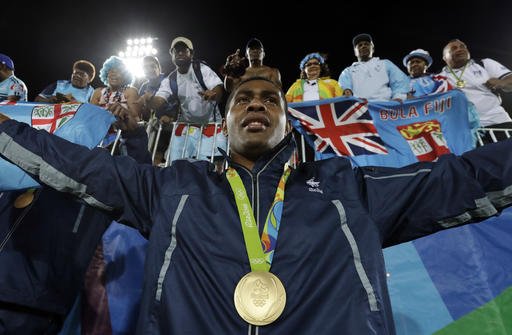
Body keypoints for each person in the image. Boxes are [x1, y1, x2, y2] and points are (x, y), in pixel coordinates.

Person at [1, 75, 512, 334]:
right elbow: (75, 164)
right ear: (223, 123)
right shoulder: (173, 186)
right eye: (243, 98)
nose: (256, 104)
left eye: (271, 99)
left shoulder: (346, 188)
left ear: (288, 123)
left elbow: (462, 178)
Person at [0, 103, 149, 334]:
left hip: (35, 300)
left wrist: (133, 134)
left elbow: (137, 189)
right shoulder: (27, 152)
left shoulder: (99, 176)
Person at [149, 36, 227, 164]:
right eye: (176, 51)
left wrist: (213, 94)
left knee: (211, 165)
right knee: (175, 163)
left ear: (191, 54)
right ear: (172, 54)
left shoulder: (201, 69)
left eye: (184, 50)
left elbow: (218, 88)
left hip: (211, 124)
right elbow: (158, 101)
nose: (180, 53)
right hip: (187, 126)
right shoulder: (171, 79)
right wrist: (149, 100)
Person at [439, 38, 512, 142]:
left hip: (498, 123)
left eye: (463, 47)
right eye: (454, 48)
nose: (460, 49)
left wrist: (501, 83)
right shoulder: (437, 78)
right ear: (444, 57)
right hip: (465, 132)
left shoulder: (484, 63)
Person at [339, 33, 409, 101]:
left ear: (373, 48)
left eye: (366, 44)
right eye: (359, 45)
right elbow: (344, 87)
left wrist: (398, 97)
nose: (363, 46)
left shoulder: (385, 63)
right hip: (361, 109)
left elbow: (400, 82)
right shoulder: (348, 71)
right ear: (355, 52)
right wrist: (347, 91)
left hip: (384, 107)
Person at [138, 55, 166, 121]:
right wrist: (146, 106)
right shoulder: (143, 87)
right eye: (145, 67)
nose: (149, 70)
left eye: (152, 66)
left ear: (159, 68)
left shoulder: (170, 80)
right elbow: (143, 116)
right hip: (151, 127)